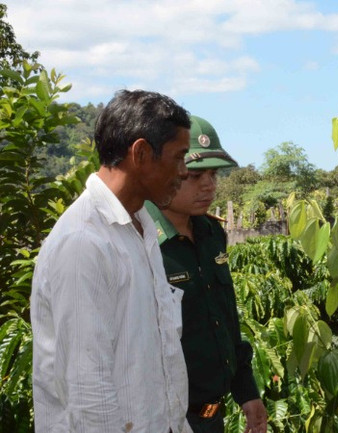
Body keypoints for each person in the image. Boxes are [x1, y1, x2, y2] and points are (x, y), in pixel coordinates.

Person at [31, 90, 192, 433]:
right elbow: (89, 393)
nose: (183, 172)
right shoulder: (84, 242)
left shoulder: (142, 229)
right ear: (141, 153)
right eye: (179, 158)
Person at [145, 115, 267, 433]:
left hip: (211, 416)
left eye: (213, 173)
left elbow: (225, 320)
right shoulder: (140, 241)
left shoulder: (211, 233)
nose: (209, 185)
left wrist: (247, 392)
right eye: (195, 175)